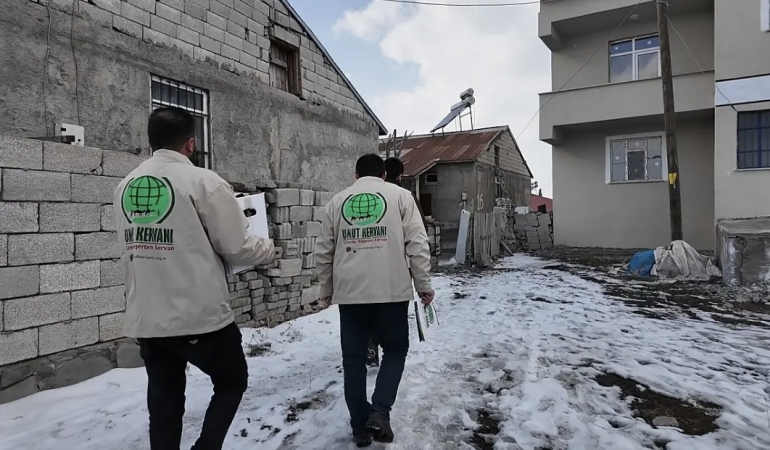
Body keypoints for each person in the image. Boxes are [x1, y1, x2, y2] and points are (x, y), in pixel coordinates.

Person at [113, 106, 275, 450]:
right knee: (232, 381)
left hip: (149, 318)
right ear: (191, 143)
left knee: (164, 404)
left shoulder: (125, 186)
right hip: (199, 317)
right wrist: (269, 249)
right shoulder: (205, 182)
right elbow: (237, 247)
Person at [315, 154, 434, 447]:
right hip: (391, 292)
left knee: (353, 360)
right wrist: (423, 285)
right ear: (383, 175)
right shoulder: (402, 197)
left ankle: (359, 427)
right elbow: (417, 243)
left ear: (355, 175)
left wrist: (326, 290)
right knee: (395, 349)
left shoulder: (337, 202)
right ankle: (379, 411)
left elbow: (323, 252)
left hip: (351, 294)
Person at [366, 157, 429, 367]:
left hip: (365, 263)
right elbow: (419, 235)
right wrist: (422, 280)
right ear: (400, 175)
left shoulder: (369, 196)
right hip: (396, 265)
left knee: (370, 306)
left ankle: (371, 342)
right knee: (391, 310)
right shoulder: (405, 197)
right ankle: (387, 347)